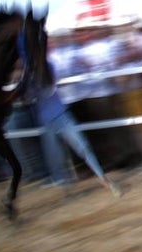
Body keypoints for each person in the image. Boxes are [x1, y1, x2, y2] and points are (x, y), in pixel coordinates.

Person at [27, 61, 122, 197]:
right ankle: (70, 189)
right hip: (50, 119)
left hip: (57, 116)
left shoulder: (45, 66)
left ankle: (103, 179)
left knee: (82, 148)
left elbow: (43, 88)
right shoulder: (30, 73)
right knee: (59, 157)